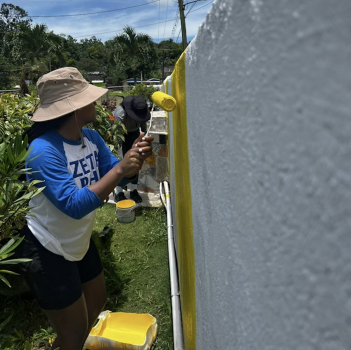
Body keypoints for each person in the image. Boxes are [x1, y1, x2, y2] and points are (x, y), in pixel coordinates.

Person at [15, 67, 153, 350]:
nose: (95, 102)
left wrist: (132, 159)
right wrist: (119, 171)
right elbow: (73, 206)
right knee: (73, 332)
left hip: (77, 239)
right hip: (47, 247)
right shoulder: (43, 151)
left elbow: (116, 173)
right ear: (73, 107)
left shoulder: (89, 138)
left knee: (96, 301)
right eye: (87, 98)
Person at [112, 95, 151, 203]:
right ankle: (119, 191)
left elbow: (143, 126)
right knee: (121, 162)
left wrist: (143, 139)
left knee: (136, 160)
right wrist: (121, 158)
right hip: (120, 135)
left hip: (134, 134)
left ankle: (133, 190)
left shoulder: (141, 111)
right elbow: (118, 138)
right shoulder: (120, 114)